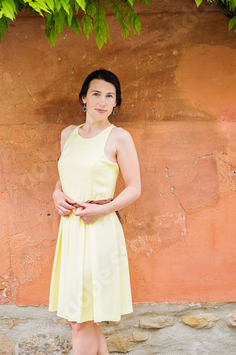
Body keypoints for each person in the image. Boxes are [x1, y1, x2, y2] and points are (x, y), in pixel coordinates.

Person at [49, 69, 141, 354]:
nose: (102, 101)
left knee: (79, 318)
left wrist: (102, 210)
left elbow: (134, 188)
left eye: (110, 96)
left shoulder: (119, 137)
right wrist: (56, 193)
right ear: (84, 98)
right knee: (77, 317)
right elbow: (64, 175)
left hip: (100, 230)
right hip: (71, 231)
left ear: (116, 103)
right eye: (96, 94)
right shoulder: (68, 135)